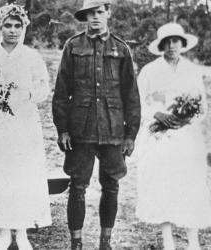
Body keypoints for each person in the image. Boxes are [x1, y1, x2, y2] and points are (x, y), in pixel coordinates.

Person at [52, 0, 141, 249]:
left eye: (100, 12)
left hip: (113, 131)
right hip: (81, 130)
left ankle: (106, 241)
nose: (95, 18)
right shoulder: (73, 46)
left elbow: (131, 95)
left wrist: (130, 134)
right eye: (90, 14)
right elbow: (61, 92)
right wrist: (63, 130)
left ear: (108, 13)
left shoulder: (121, 49)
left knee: (111, 186)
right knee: (78, 186)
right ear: (85, 17)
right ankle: (76, 242)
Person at [0, 3, 52, 250]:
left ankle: (22, 230)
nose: (13, 30)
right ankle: (4, 231)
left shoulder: (31, 56)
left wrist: (27, 95)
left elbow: (43, 88)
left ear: (24, 28)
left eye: (18, 26)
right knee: (0, 175)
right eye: (8, 25)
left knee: (23, 174)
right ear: (0, 27)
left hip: (24, 124)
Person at [136, 22, 211, 250]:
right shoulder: (150, 70)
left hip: (187, 134)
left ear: (183, 43)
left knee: (190, 182)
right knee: (163, 180)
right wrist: (156, 115)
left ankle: (192, 239)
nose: (171, 46)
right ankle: (168, 238)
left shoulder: (192, 70)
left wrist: (187, 119)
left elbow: (202, 106)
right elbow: (137, 102)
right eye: (167, 42)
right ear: (161, 45)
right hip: (160, 132)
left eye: (176, 41)